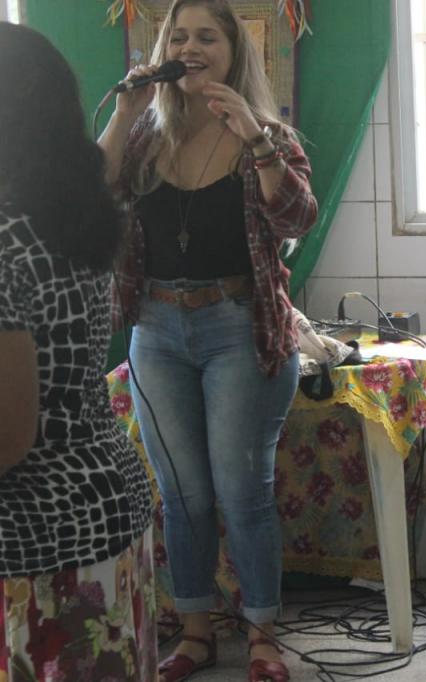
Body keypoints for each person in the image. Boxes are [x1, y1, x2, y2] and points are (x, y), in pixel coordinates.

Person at [98, 1, 317, 680]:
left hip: (239, 327)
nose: (190, 48)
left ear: (233, 51)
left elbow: (296, 218)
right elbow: (91, 197)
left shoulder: (268, 134)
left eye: (207, 38)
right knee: (181, 493)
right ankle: (195, 632)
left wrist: (255, 136)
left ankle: (262, 636)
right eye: (179, 37)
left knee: (242, 491)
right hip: (156, 329)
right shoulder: (144, 135)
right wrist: (124, 113)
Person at [0, 22, 157, 681]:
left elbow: (9, 437)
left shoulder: (8, 235)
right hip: (107, 498)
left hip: (33, 535)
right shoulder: (67, 213)